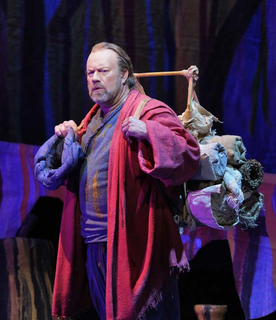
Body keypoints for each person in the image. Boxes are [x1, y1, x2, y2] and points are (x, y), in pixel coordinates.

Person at [35, 42, 200, 320]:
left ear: (124, 75)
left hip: (135, 242)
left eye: (102, 71)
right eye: (90, 73)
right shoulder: (90, 123)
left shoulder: (147, 111)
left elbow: (189, 154)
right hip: (95, 243)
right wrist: (66, 141)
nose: (95, 78)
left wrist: (149, 131)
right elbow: (62, 174)